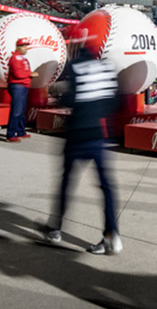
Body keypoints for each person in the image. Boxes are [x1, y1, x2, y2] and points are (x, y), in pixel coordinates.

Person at [44, 28, 121, 254]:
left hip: (77, 135)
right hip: (98, 135)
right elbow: (113, 102)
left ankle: (55, 229)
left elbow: (71, 99)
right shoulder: (107, 68)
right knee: (106, 188)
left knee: (66, 183)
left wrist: (61, 96)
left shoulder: (76, 67)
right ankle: (111, 235)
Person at [6, 39, 32, 141]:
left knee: (21, 110)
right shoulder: (15, 58)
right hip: (17, 86)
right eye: (24, 46)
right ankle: (11, 134)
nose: (26, 48)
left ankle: (21, 131)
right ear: (18, 47)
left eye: (26, 46)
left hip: (23, 86)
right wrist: (30, 74)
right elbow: (18, 74)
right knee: (16, 111)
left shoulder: (22, 58)